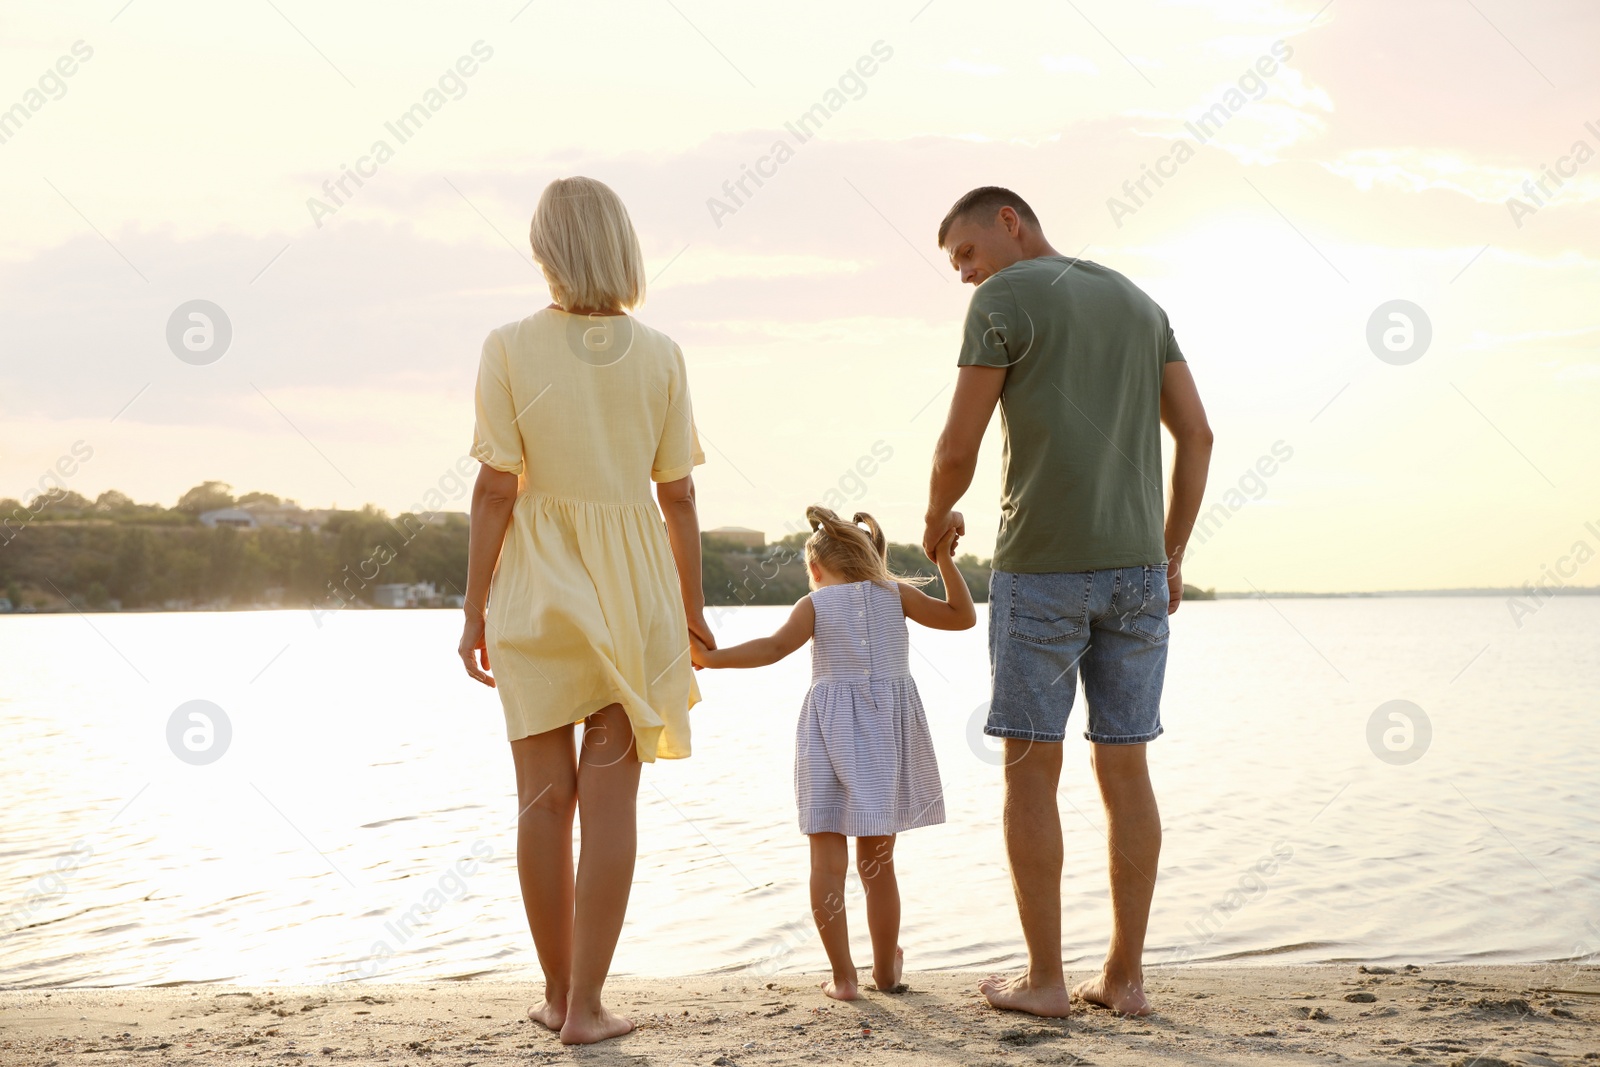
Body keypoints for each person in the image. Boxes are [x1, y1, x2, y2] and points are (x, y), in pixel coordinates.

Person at [923, 186, 1213, 1018]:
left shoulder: (1007, 299)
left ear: (1008, 221)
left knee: (1030, 773)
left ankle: (1045, 980)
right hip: (1136, 575)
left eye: (965, 255)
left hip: (1042, 570)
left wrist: (936, 520)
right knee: (1126, 768)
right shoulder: (1136, 299)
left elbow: (956, 445)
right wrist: (1172, 551)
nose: (968, 276)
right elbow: (1198, 434)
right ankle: (1126, 979)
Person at [456, 175, 714, 1045]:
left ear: (547, 251)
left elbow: (496, 488)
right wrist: (692, 608)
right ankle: (588, 1006)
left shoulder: (507, 345)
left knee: (541, 800)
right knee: (611, 805)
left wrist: (471, 607)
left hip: (535, 586)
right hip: (635, 587)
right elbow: (676, 496)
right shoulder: (662, 353)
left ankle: (558, 990)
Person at [688, 506, 974, 999]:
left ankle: (844, 979)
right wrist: (945, 560)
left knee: (826, 863)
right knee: (878, 865)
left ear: (815, 570)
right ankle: (886, 972)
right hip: (886, 737)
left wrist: (713, 659)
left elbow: (773, 649)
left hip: (828, 735)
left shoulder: (815, 605)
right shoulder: (895, 594)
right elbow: (962, 617)